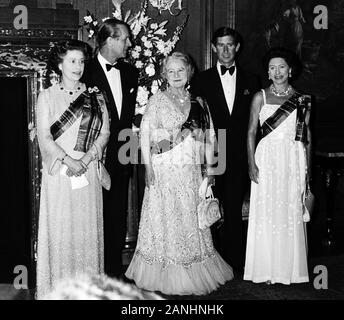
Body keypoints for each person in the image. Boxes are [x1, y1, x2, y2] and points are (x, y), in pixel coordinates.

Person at [125, 52, 233, 295]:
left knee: (189, 215)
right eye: (170, 71)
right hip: (164, 169)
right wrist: (148, 168)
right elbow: (144, 135)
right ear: (164, 74)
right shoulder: (157, 100)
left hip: (191, 170)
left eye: (180, 71)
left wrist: (212, 169)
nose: (175, 76)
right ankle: (165, 269)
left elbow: (210, 138)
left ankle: (192, 268)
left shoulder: (200, 103)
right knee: (167, 216)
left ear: (189, 73)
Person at [36, 40, 110, 299]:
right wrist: (69, 161)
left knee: (87, 233)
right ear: (60, 64)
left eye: (81, 61)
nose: (78, 66)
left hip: (87, 172)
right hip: (60, 174)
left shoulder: (96, 95)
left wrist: (87, 158)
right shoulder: (46, 97)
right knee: (62, 232)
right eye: (72, 61)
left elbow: (105, 132)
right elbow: (44, 138)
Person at [191, 27, 260, 272]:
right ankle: (211, 261)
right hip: (212, 153)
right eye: (221, 45)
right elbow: (195, 122)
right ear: (213, 48)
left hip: (240, 154)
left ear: (237, 47)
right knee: (208, 207)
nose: (226, 50)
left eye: (230, 45)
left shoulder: (252, 80)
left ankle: (234, 263)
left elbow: (256, 124)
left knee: (232, 209)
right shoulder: (200, 80)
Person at [244, 47, 311, 284]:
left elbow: (306, 137)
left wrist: (307, 170)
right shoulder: (259, 96)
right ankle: (266, 269)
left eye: (282, 66)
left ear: (290, 70)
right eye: (272, 67)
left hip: (292, 159)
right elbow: (251, 131)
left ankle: (288, 270)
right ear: (268, 71)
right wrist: (251, 164)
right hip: (267, 158)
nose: (277, 71)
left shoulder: (302, 100)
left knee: (289, 209)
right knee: (267, 211)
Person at [82, 18, 139, 279]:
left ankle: (114, 270)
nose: (129, 43)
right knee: (92, 212)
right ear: (109, 40)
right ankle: (92, 269)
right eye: (125, 39)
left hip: (123, 152)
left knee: (117, 212)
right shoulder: (85, 72)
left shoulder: (130, 73)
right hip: (94, 154)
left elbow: (126, 117)